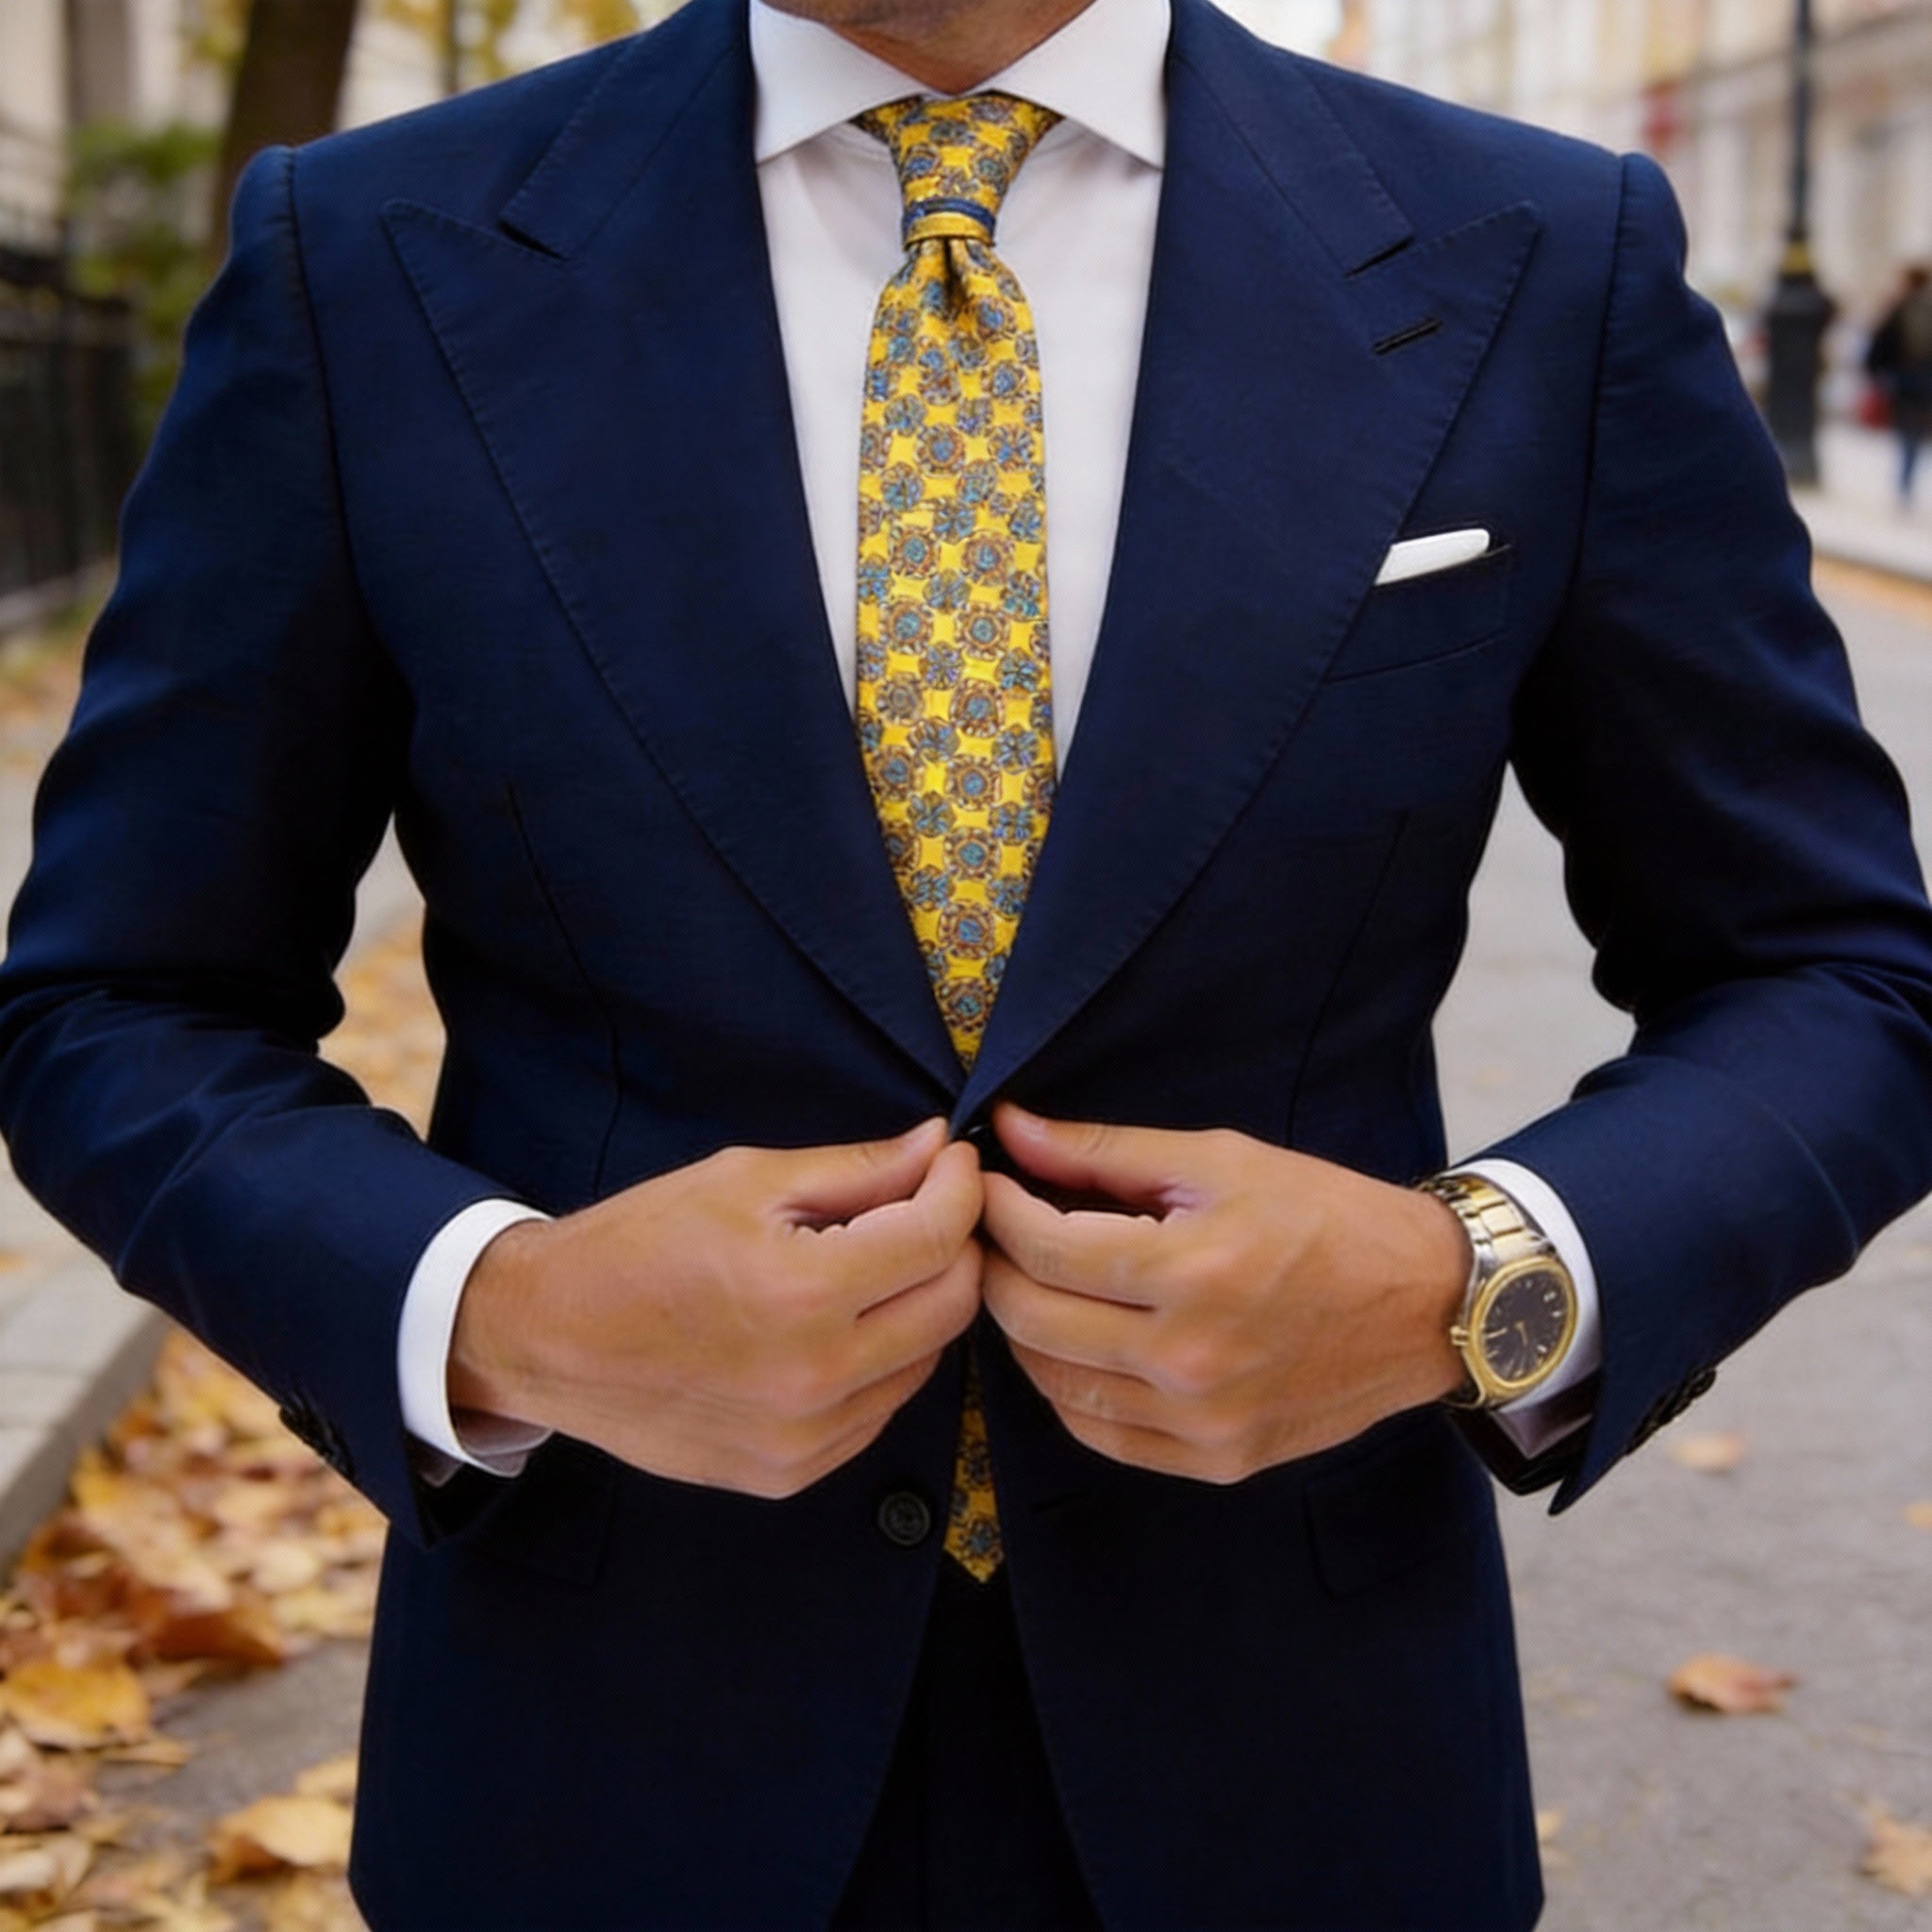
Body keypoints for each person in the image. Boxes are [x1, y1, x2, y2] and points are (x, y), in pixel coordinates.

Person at [2, 0, 1930, 1924]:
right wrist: (500, 1314)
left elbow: (1834, 973)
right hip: (599, 1750)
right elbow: (121, 998)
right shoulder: (365, 254)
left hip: (1297, 1759)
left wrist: (1470, 1281)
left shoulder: (1533, 250)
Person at [1866, 262, 1932, 507]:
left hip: (1905, 380)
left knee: (1907, 431)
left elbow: (1880, 345)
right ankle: (1906, 479)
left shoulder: (1898, 309)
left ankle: (1905, 480)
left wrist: (1876, 373)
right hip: (1922, 381)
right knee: (1914, 432)